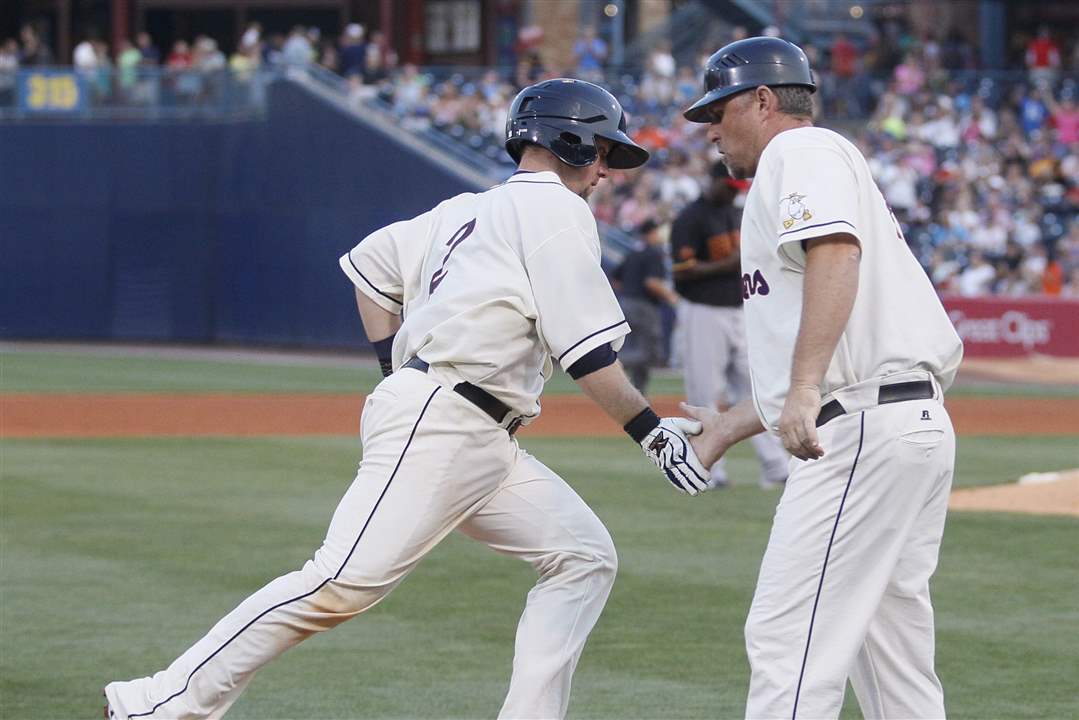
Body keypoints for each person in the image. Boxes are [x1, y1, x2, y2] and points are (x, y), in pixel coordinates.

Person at [103, 78, 710, 720]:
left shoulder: (462, 210)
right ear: (573, 142)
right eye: (604, 155)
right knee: (339, 583)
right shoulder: (558, 211)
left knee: (583, 557)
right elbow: (587, 354)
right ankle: (159, 702)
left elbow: (369, 268)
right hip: (445, 420)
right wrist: (649, 431)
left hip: (475, 434)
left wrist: (393, 368)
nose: (607, 172)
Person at [681, 36, 964, 719]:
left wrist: (804, 389)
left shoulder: (797, 150)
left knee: (788, 640)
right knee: (890, 655)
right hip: (898, 421)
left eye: (717, 110)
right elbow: (824, 325)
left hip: (861, 427)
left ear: (762, 99)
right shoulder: (810, 159)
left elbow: (836, 253)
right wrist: (730, 423)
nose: (710, 129)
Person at [670, 160, 789, 489]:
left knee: (757, 391)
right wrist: (727, 264)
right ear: (712, 181)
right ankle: (708, 469)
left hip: (740, 309)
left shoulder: (735, 213)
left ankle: (776, 466)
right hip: (703, 311)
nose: (732, 194)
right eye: (728, 187)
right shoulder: (690, 218)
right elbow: (682, 272)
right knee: (705, 392)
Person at [612, 218, 679, 394]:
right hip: (644, 306)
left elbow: (616, 278)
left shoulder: (633, 252)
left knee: (636, 349)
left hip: (625, 303)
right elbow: (652, 283)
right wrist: (672, 298)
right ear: (652, 233)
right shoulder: (653, 252)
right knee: (650, 354)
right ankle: (611, 363)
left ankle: (638, 394)